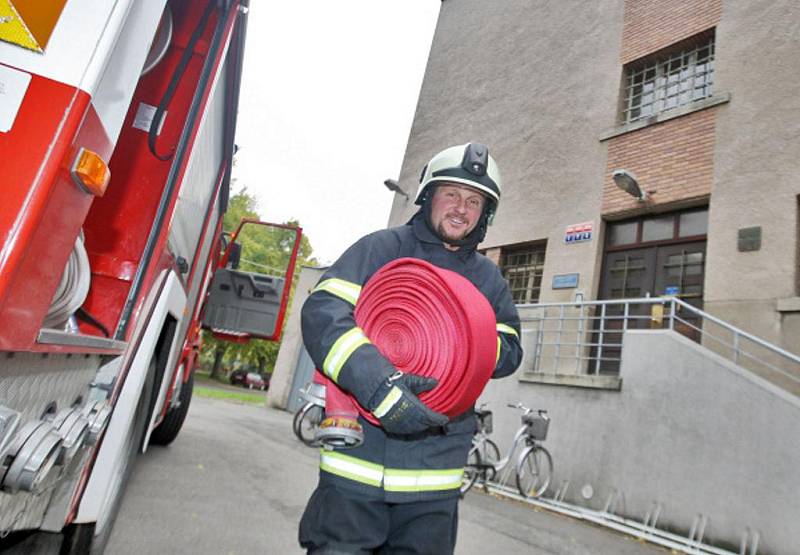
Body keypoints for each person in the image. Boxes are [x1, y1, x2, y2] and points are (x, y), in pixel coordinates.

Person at [299, 143, 523, 554]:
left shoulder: (489, 280)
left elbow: (510, 348)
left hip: (433, 483)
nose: (461, 208)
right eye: (451, 194)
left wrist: (453, 342)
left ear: (485, 214)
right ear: (428, 197)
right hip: (355, 472)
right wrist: (377, 384)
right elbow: (323, 311)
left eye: (474, 201)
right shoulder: (380, 249)